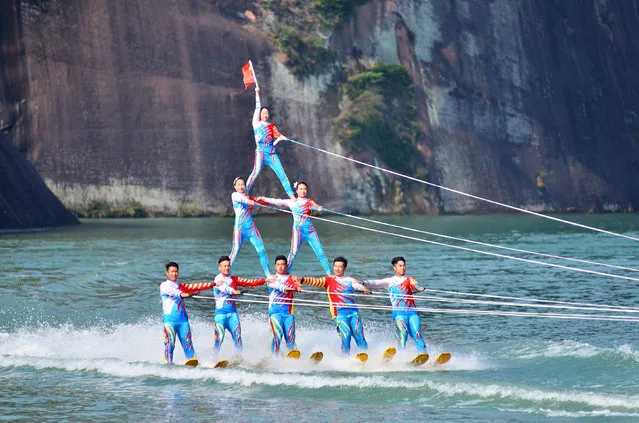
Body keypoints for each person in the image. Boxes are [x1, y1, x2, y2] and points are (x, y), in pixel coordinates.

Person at [257, 181, 331, 275]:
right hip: (298, 232)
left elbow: (316, 206)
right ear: (296, 191)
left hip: (310, 231)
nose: (303, 191)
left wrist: (319, 208)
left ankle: (329, 273)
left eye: (305, 189)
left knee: (320, 252)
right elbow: (277, 201)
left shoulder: (309, 201)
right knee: (293, 253)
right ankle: (285, 274)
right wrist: (263, 198)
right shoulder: (291, 202)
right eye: (301, 189)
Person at [300, 256, 371, 355]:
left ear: (344, 268)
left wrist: (364, 289)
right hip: (339, 314)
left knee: (359, 335)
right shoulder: (328, 280)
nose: (337, 269)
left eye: (340, 267)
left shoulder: (350, 280)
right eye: (335, 266)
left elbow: (357, 285)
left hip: (354, 313)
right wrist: (301, 279)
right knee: (346, 334)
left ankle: (366, 356)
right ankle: (345, 357)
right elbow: (315, 281)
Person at [363, 257, 428, 354]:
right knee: (403, 334)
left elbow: (414, 284)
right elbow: (376, 283)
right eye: (400, 266)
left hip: (412, 312)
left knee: (417, 334)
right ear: (394, 267)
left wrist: (419, 287)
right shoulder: (390, 281)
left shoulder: (409, 279)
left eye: (404, 265)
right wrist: (363, 283)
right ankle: (401, 357)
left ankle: (424, 355)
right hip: (399, 314)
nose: (403, 268)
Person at [212, 255, 270, 359]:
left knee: (238, 337)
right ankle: (214, 359)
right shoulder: (217, 279)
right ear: (219, 267)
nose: (226, 268)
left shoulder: (234, 279)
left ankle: (239, 358)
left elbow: (249, 282)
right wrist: (233, 291)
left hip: (233, 314)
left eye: (228, 266)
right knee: (219, 338)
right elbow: (224, 287)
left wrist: (264, 280)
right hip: (220, 316)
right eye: (224, 266)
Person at [160, 262, 217, 365]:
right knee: (170, 345)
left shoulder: (181, 286)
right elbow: (175, 292)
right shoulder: (164, 286)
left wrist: (214, 284)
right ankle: (167, 366)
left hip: (183, 321)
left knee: (188, 344)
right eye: (172, 271)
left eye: (176, 271)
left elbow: (194, 286)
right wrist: (184, 294)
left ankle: (194, 365)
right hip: (170, 323)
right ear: (167, 273)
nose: (174, 274)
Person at [245, 86, 295, 199]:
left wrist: (282, 138)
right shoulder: (256, 123)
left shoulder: (272, 127)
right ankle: (245, 192)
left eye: (267, 113)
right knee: (256, 172)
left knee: (282, 174)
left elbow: (277, 137)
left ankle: (292, 196)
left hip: (272, 153)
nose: (265, 114)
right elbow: (258, 106)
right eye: (263, 113)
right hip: (261, 152)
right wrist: (257, 93)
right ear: (260, 115)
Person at [229, 177, 271, 277]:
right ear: (235, 187)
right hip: (239, 228)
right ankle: (226, 275)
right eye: (238, 185)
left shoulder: (250, 198)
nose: (240, 186)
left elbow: (261, 202)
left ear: (245, 186)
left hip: (251, 228)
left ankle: (268, 275)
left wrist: (263, 200)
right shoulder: (234, 195)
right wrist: (249, 201)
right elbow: (242, 199)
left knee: (261, 249)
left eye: (242, 184)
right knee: (235, 251)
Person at [267, 255, 303, 355]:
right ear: (275, 266)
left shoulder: (292, 278)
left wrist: (299, 286)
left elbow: (298, 285)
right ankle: (274, 357)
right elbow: (280, 287)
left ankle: (292, 355)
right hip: (275, 313)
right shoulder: (271, 278)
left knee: (290, 338)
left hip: (288, 314)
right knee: (277, 336)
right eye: (278, 265)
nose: (280, 267)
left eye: (283, 264)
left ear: (286, 266)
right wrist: (293, 289)